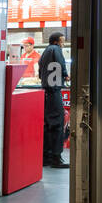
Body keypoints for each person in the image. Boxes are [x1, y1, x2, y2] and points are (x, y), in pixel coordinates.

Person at [38, 32, 69, 167]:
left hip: (46, 90)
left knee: (48, 124)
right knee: (57, 122)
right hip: (54, 90)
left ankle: (47, 156)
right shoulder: (55, 50)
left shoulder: (45, 51)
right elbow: (60, 64)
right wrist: (66, 75)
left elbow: (40, 70)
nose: (63, 44)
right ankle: (56, 157)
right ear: (56, 41)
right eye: (62, 41)